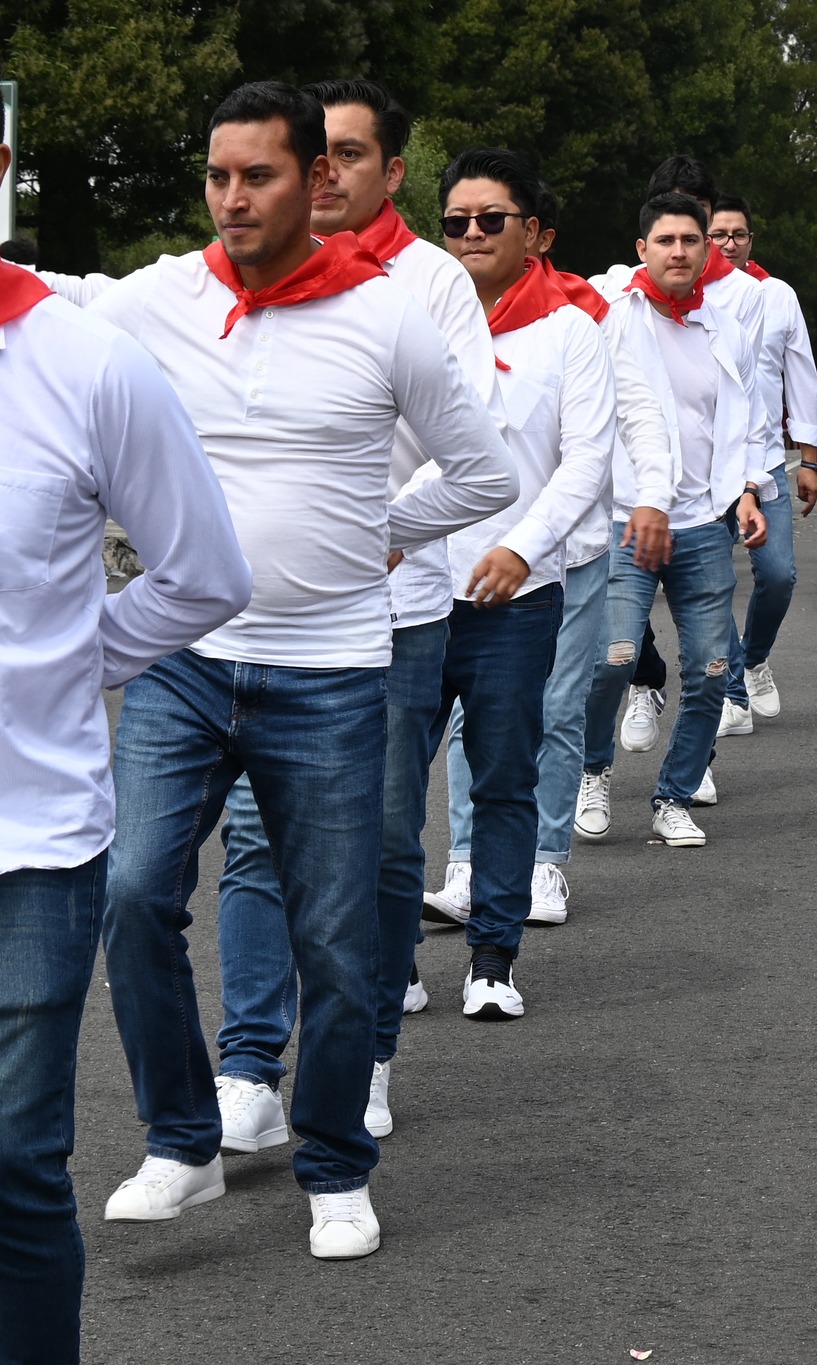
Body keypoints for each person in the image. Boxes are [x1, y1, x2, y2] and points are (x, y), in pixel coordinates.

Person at [49, 82, 513, 1257]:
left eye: (258, 176)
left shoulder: (389, 314)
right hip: (182, 661)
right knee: (133, 892)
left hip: (332, 672)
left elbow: (484, 472)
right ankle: (182, 1143)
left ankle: (334, 1166)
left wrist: (385, 534)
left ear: (316, 183)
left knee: (341, 934)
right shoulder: (163, 298)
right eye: (217, 176)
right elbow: (54, 302)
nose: (233, 198)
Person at [205, 77, 498, 1153]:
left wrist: (379, 529)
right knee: (250, 845)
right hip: (251, 616)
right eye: (310, 157)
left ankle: (366, 1051)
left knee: (371, 847)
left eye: (348, 156)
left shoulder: (427, 284)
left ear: (389, 170)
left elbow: (472, 448)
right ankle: (246, 1067)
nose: (325, 176)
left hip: (391, 612)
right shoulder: (238, 280)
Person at [0, 135, 251, 1361]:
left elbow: (205, 571)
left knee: (12, 1167)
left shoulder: (87, 363)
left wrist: (73, 659)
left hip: (28, 847)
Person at [427, 181, 672, 932]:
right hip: (456, 555)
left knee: (557, 706)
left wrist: (654, 492)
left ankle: (543, 864)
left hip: (568, 552)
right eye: (458, 222)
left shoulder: (581, 320)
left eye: (492, 221)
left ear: (533, 235)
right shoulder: (429, 312)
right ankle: (469, 865)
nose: (473, 233)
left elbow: (632, 415)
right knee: (476, 716)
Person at [580, 191, 768, 848]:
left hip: (702, 523)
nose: (681, 252)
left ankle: (675, 794)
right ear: (642, 250)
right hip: (626, 519)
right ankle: (592, 769)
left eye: (692, 241)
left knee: (715, 666)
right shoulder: (609, 318)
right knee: (613, 655)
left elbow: (747, 424)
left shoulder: (725, 329)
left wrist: (746, 490)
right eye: (666, 241)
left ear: (707, 250)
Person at [708, 193, 817, 733]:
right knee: (708, 582)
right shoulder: (685, 295)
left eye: (739, 235)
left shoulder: (777, 296)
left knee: (778, 575)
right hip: (705, 467)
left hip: (766, 457)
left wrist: (810, 459)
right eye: (718, 235)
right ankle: (732, 687)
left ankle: (753, 659)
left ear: (752, 239)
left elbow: (800, 376)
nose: (729, 244)